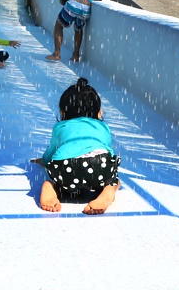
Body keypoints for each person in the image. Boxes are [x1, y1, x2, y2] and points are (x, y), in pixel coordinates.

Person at [33, 78, 120, 214]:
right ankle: (108, 190)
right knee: (114, 180)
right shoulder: (103, 127)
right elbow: (107, 149)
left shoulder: (60, 127)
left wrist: (44, 161)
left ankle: (51, 187)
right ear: (99, 112)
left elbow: (52, 151)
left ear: (62, 112)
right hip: (99, 170)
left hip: (65, 171)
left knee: (59, 180)